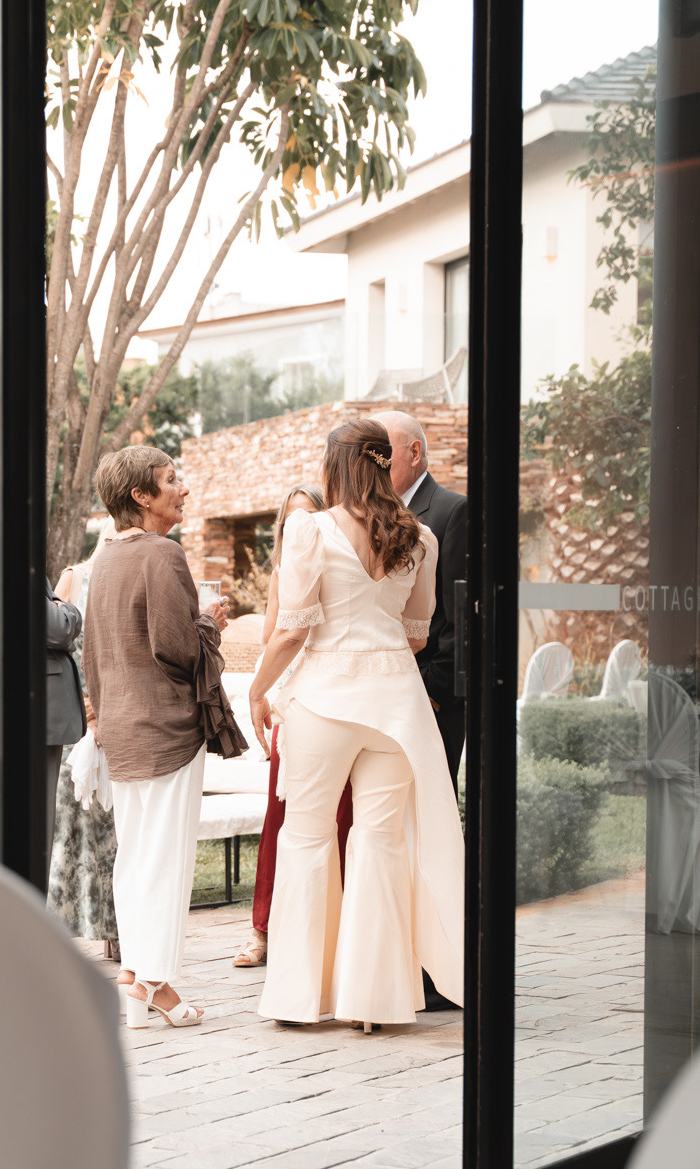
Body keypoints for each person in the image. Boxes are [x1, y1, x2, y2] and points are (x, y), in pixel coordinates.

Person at [249, 417, 464, 1030]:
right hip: (397, 704)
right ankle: (374, 1003)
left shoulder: (308, 528)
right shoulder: (421, 538)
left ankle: (301, 998)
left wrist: (259, 690)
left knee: (309, 836)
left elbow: (292, 629)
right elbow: (417, 635)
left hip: (325, 700)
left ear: (335, 464)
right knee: (381, 842)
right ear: (381, 461)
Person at [83, 446, 228, 1028]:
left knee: (136, 856)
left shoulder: (103, 559)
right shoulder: (163, 554)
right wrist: (210, 623)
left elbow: (92, 652)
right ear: (141, 496)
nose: (184, 489)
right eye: (172, 480)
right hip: (166, 728)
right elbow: (178, 647)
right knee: (165, 860)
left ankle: (133, 980)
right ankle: (157, 985)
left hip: (120, 728)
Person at [235, 482, 350, 970]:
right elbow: (272, 636)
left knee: (340, 817)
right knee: (278, 816)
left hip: (338, 699)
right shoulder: (284, 570)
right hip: (293, 697)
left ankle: (334, 925)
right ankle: (262, 928)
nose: (298, 526)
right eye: (290, 520)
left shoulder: (345, 564)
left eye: (308, 516)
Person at [0, 456, 85, 858]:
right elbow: (56, 627)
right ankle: (3, 918)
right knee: (26, 833)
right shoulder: (2, 546)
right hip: (30, 706)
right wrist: (69, 603)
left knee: (11, 827)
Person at [376, 411, 467, 790]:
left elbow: (460, 617)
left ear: (414, 452)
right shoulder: (373, 515)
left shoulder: (452, 511)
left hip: (430, 697)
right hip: (381, 694)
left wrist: (432, 691)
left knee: (429, 809)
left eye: (383, 455)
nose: (374, 466)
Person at [50, 520, 121, 959]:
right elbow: (56, 646)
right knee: (71, 825)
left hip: (122, 714)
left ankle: (118, 928)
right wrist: (87, 710)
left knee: (116, 829)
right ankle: (62, 927)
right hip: (79, 720)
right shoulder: (75, 577)